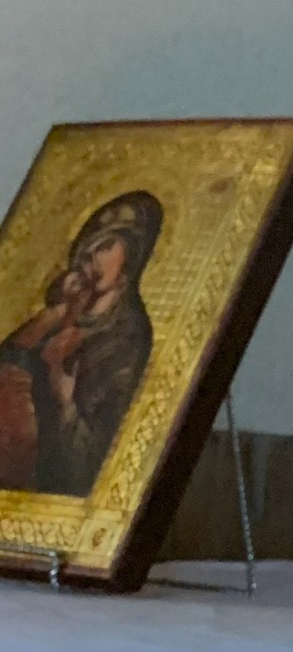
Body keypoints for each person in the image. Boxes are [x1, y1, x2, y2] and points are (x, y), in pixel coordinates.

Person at [0, 191, 162, 496]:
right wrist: (54, 315)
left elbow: (98, 455)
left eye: (105, 247)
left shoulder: (127, 333)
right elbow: (7, 365)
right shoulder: (65, 313)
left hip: (55, 478)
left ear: (131, 251)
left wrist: (64, 400)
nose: (94, 262)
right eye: (87, 254)